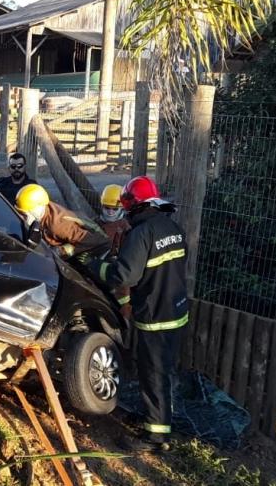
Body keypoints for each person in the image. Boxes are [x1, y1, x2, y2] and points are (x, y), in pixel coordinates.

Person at [85, 176, 188, 452]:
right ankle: (161, 423)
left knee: (152, 372)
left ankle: (156, 437)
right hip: (177, 311)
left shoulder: (141, 234)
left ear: (132, 205)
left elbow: (124, 274)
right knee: (163, 370)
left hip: (156, 317)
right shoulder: (172, 227)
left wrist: (96, 266)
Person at [15, 183, 109, 258]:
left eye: (24, 214)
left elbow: (96, 240)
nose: (22, 217)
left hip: (95, 246)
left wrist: (60, 251)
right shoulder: (44, 211)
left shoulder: (57, 225)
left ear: (38, 208)